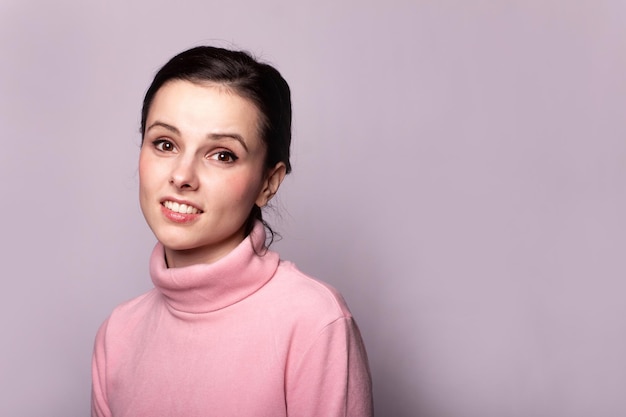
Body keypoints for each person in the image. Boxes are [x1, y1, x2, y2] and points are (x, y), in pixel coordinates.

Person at [91, 46, 373, 417]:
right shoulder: (118, 335)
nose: (182, 176)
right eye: (165, 144)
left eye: (222, 154)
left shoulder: (314, 322)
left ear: (268, 183)